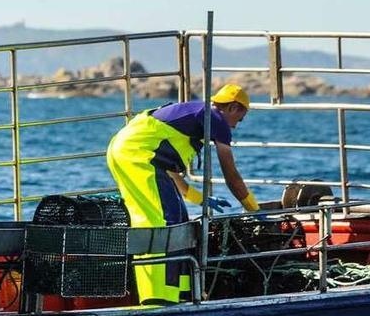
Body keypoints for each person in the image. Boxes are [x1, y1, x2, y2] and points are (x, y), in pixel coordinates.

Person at [106, 83, 259, 305]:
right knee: (161, 224)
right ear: (233, 107)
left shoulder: (192, 116)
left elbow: (171, 173)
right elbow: (231, 174)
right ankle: (158, 298)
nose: (235, 127)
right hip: (138, 158)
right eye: (239, 119)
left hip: (130, 154)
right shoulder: (213, 117)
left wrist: (201, 199)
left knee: (178, 220)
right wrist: (254, 208)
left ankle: (182, 294)